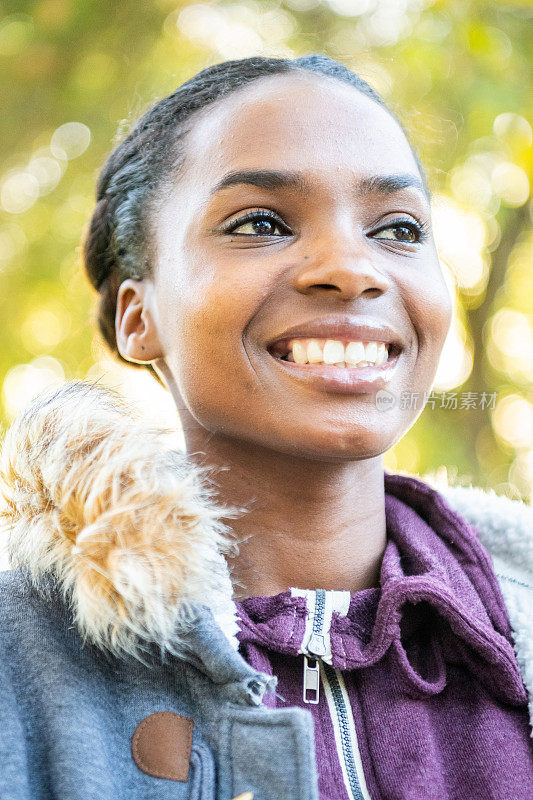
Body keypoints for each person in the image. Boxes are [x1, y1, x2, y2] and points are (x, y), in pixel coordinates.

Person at [0, 53, 532, 800]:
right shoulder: (19, 660)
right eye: (260, 223)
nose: (351, 268)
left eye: (398, 229)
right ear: (137, 315)